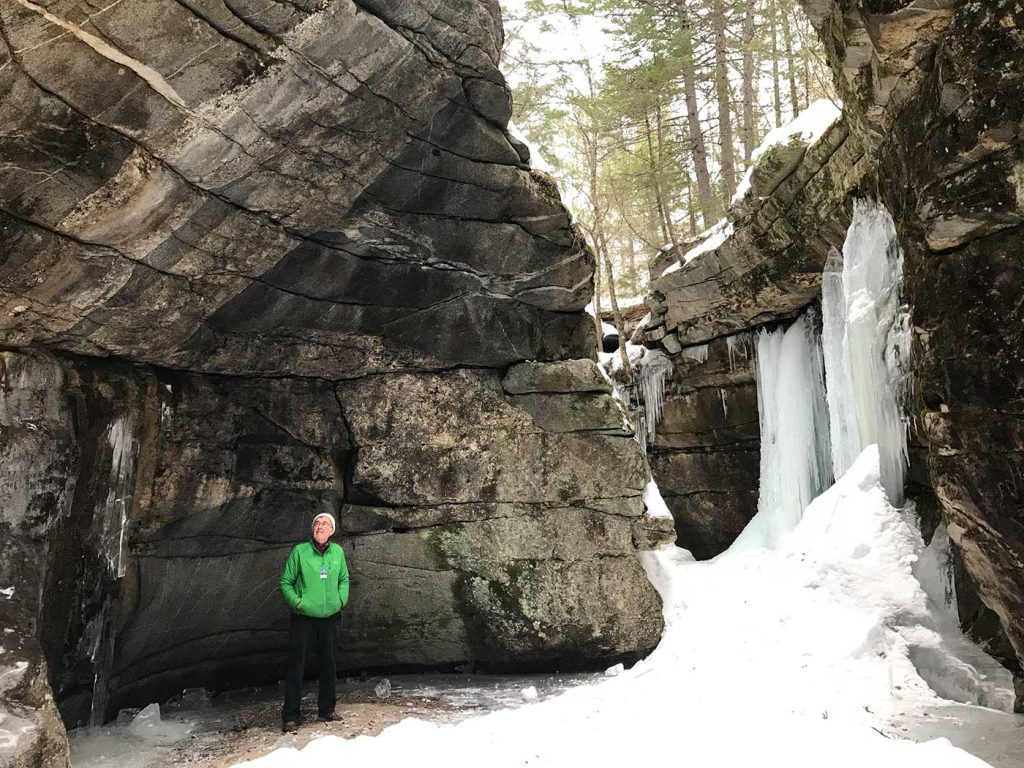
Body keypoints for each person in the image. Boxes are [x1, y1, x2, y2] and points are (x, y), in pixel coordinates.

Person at [279, 511, 350, 732]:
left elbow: (344, 579)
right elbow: (286, 582)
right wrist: (298, 603)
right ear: (313, 529)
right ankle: (291, 716)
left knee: (328, 664)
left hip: (330, 617)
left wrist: (340, 600)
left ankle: (327, 710)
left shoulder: (337, 551)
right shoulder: (300, 551)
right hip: (303, 619)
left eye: (325, 524)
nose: (320, 526)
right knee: (296, 666)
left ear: (332, 530)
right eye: (317, 523)